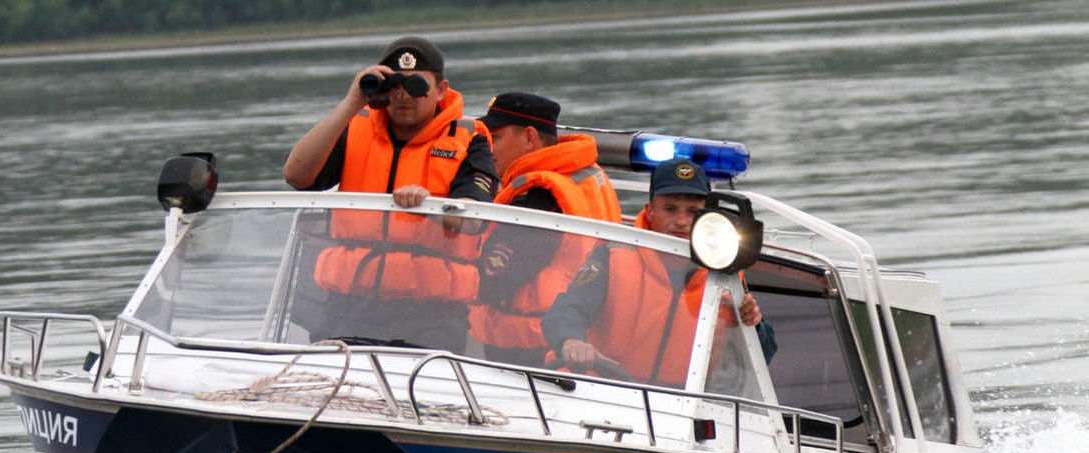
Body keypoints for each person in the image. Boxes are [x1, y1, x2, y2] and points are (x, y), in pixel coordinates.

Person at [282, 36, 498, 353]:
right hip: (349, 305)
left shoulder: (469, 139)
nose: (402, 96)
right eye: (394, 85)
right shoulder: (357, 128)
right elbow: (297, 175)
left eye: (415, 85)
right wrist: (351, 102)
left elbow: (473, 216)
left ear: (441, 89)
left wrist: (433, 205)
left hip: (430, 313)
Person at [541, 157, 776, 387]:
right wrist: (571, 340)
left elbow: (761, 357)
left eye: (693, 212)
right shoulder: (612, 256)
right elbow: (567, 309)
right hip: (599, 391)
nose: (682, 221)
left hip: (677, 408)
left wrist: (752, 322)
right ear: (650, 210)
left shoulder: (725, 273)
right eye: (670, 209)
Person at [468, 92, 622, 366]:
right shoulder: (585, 173)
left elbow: (494, 276)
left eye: (496, 137)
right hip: (575, 330)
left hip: (529, 346)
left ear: (529, 138)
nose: (488, 147)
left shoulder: (537, 197)